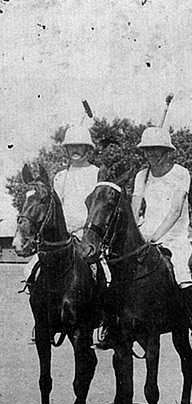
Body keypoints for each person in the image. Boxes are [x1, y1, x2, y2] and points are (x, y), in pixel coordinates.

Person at [131, 126, 192, 351]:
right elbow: (135, 205)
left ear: (168, 151)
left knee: (182, 271)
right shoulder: (142, 175)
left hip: (174, 237)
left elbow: (176, 210)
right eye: (148, 150)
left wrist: (156, 236)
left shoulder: (180, 173)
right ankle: (112, 323)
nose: (152, 154)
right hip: (144, 235)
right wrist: (136, 233)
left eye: (157, 149)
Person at [23, 126, 101, 343]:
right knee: (31, 268)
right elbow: (57, 207)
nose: (75, 150)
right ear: (67, 150)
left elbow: (97, 207)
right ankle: (42, 320)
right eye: (71, 146)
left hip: (87, 232)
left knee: (103, 271)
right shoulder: (60, 176)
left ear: (87, 149)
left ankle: (106, 322)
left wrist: (86, 228)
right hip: (64, 233)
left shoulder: (95, 173)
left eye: (80, 146)